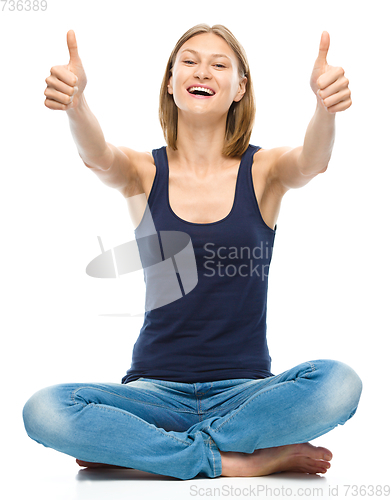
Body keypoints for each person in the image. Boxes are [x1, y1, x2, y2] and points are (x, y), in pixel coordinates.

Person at [22, 24, 362, 480]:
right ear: (170, 81)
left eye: (220, 64)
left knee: (339, 383)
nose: (203, 70)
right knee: (45, 409)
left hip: (244, 395)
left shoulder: (263, 171)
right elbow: (99, 156)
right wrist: (77, 104)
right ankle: (241, 459)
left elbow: (312, 161)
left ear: (240, 88)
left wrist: (325, 109)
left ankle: (142, 450)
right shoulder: (144, 171)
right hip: (153, 395)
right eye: (190, 60)